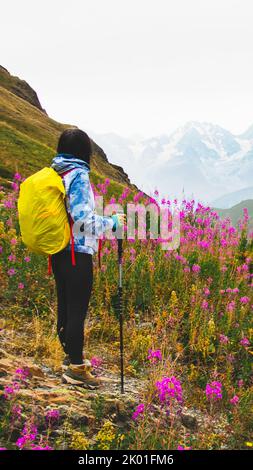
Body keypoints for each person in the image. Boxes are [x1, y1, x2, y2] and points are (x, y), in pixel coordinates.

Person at [51, 128, 125, 387]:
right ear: (85, 152)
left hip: (59, 251)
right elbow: (83, 220)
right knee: (77, 310)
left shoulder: (57, 172)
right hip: (77, 252)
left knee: (65, 305)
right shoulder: (79, 175)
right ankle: (76, 368)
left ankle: (68, 358)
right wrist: (112, 222)